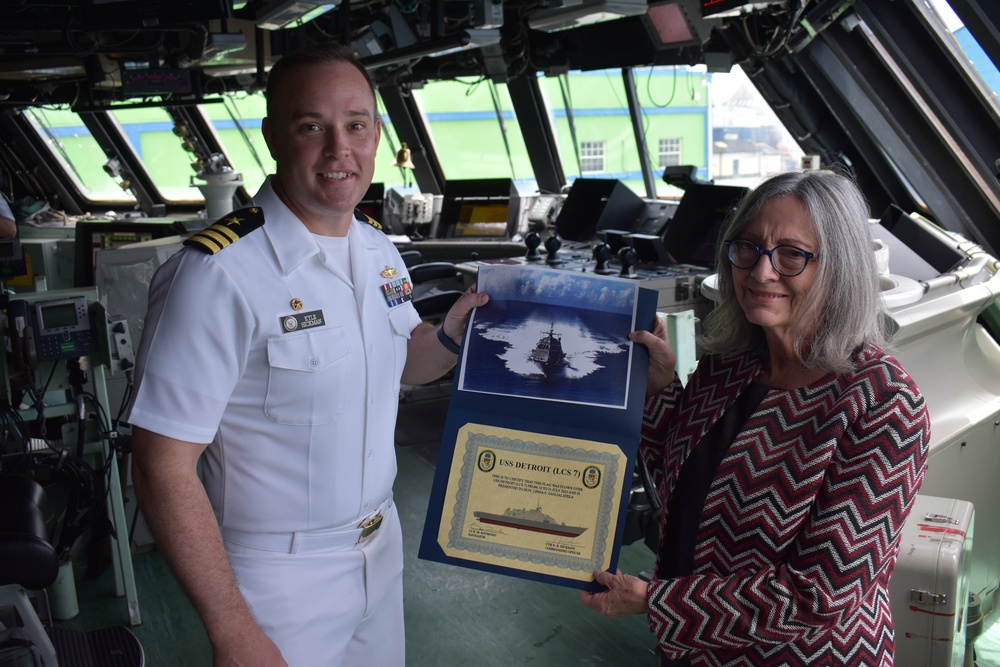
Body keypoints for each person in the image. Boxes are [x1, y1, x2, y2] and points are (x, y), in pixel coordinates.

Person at [128, 42, 488, 667]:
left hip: (381, 548)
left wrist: (456, 331)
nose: (338, 150)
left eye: (355, 126)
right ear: (272, 136)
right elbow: (161, 467)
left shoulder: (377, 249)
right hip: (276, 578)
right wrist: (232, 630)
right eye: (311, 127)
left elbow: (400, 363)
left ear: (377, 134)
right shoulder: (216, 275)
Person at [580, 169, 930, 666]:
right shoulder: (727, 368)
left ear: (840, 268)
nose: (762, 271)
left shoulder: (883, 403)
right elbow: (681, 497)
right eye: (748, 248)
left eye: (792, 254)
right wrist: (658, 392)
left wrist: (654, 602)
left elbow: (821, 595)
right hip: (693, 650)